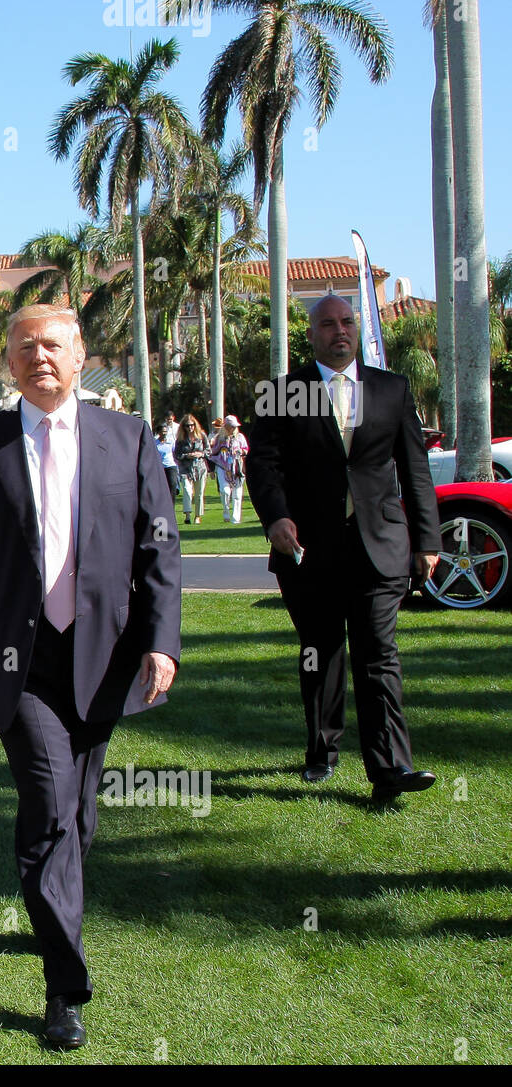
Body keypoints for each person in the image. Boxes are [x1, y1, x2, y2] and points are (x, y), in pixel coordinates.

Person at [0, 304, 181, 1049]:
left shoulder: (127, 437)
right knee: (46, 800)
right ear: (8, 362)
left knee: (79, 814)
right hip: (18, 664)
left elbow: (157, 552)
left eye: (53, 345)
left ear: (80, 357)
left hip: (103, 658)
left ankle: (53, 911)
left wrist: (160, 641)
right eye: (24, 346)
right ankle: (63, 987)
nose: (39, 356)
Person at [248, 294, 440, 804]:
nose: (340, 331)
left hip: (380, 546)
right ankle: (322, 750)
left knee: (379, 654)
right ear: (310, 333)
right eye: (328, 324)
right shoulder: (282, 393)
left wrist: (428, 540)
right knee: (320, 652)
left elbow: (415, 471)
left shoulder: (391, 390)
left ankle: (391, 768)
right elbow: (262, 464)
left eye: (347, 322)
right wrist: (276, 518)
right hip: (308, 550)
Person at [210, 414, 249, 523]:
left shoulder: (240, 437)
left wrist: (242, 451)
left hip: (237, 468)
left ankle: (236, 519)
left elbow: (246, 449)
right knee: (225, 491)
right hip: (223, 468)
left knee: (237, 493)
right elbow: (213, 451)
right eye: (231, 426)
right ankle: (226, 512)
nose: (233, 428)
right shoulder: (219, 438)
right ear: (225, 426)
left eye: (234, 426)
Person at [174, 414, 209, 525]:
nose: (190, 428)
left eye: (192, 425)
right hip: (185, 469)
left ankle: (198, 516)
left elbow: (209, 451)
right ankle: (188, 515)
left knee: (199, 494)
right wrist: (186, 456)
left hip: (200, 468)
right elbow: (177, 454)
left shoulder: (201, 436)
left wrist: (200, 454)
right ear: (183, 427)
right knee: (187, 491)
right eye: (187, 426)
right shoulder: (180, 439)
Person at [156, 424, 179, 506]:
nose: (164, 433)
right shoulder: (155, 443)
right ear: (159, 432)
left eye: (166, 431)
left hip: (171, 466)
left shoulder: (171, 441)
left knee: (172, 485)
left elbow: (175, 452)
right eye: (163, 431)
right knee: (162, 487)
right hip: (160, 467)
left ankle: (171, 505)